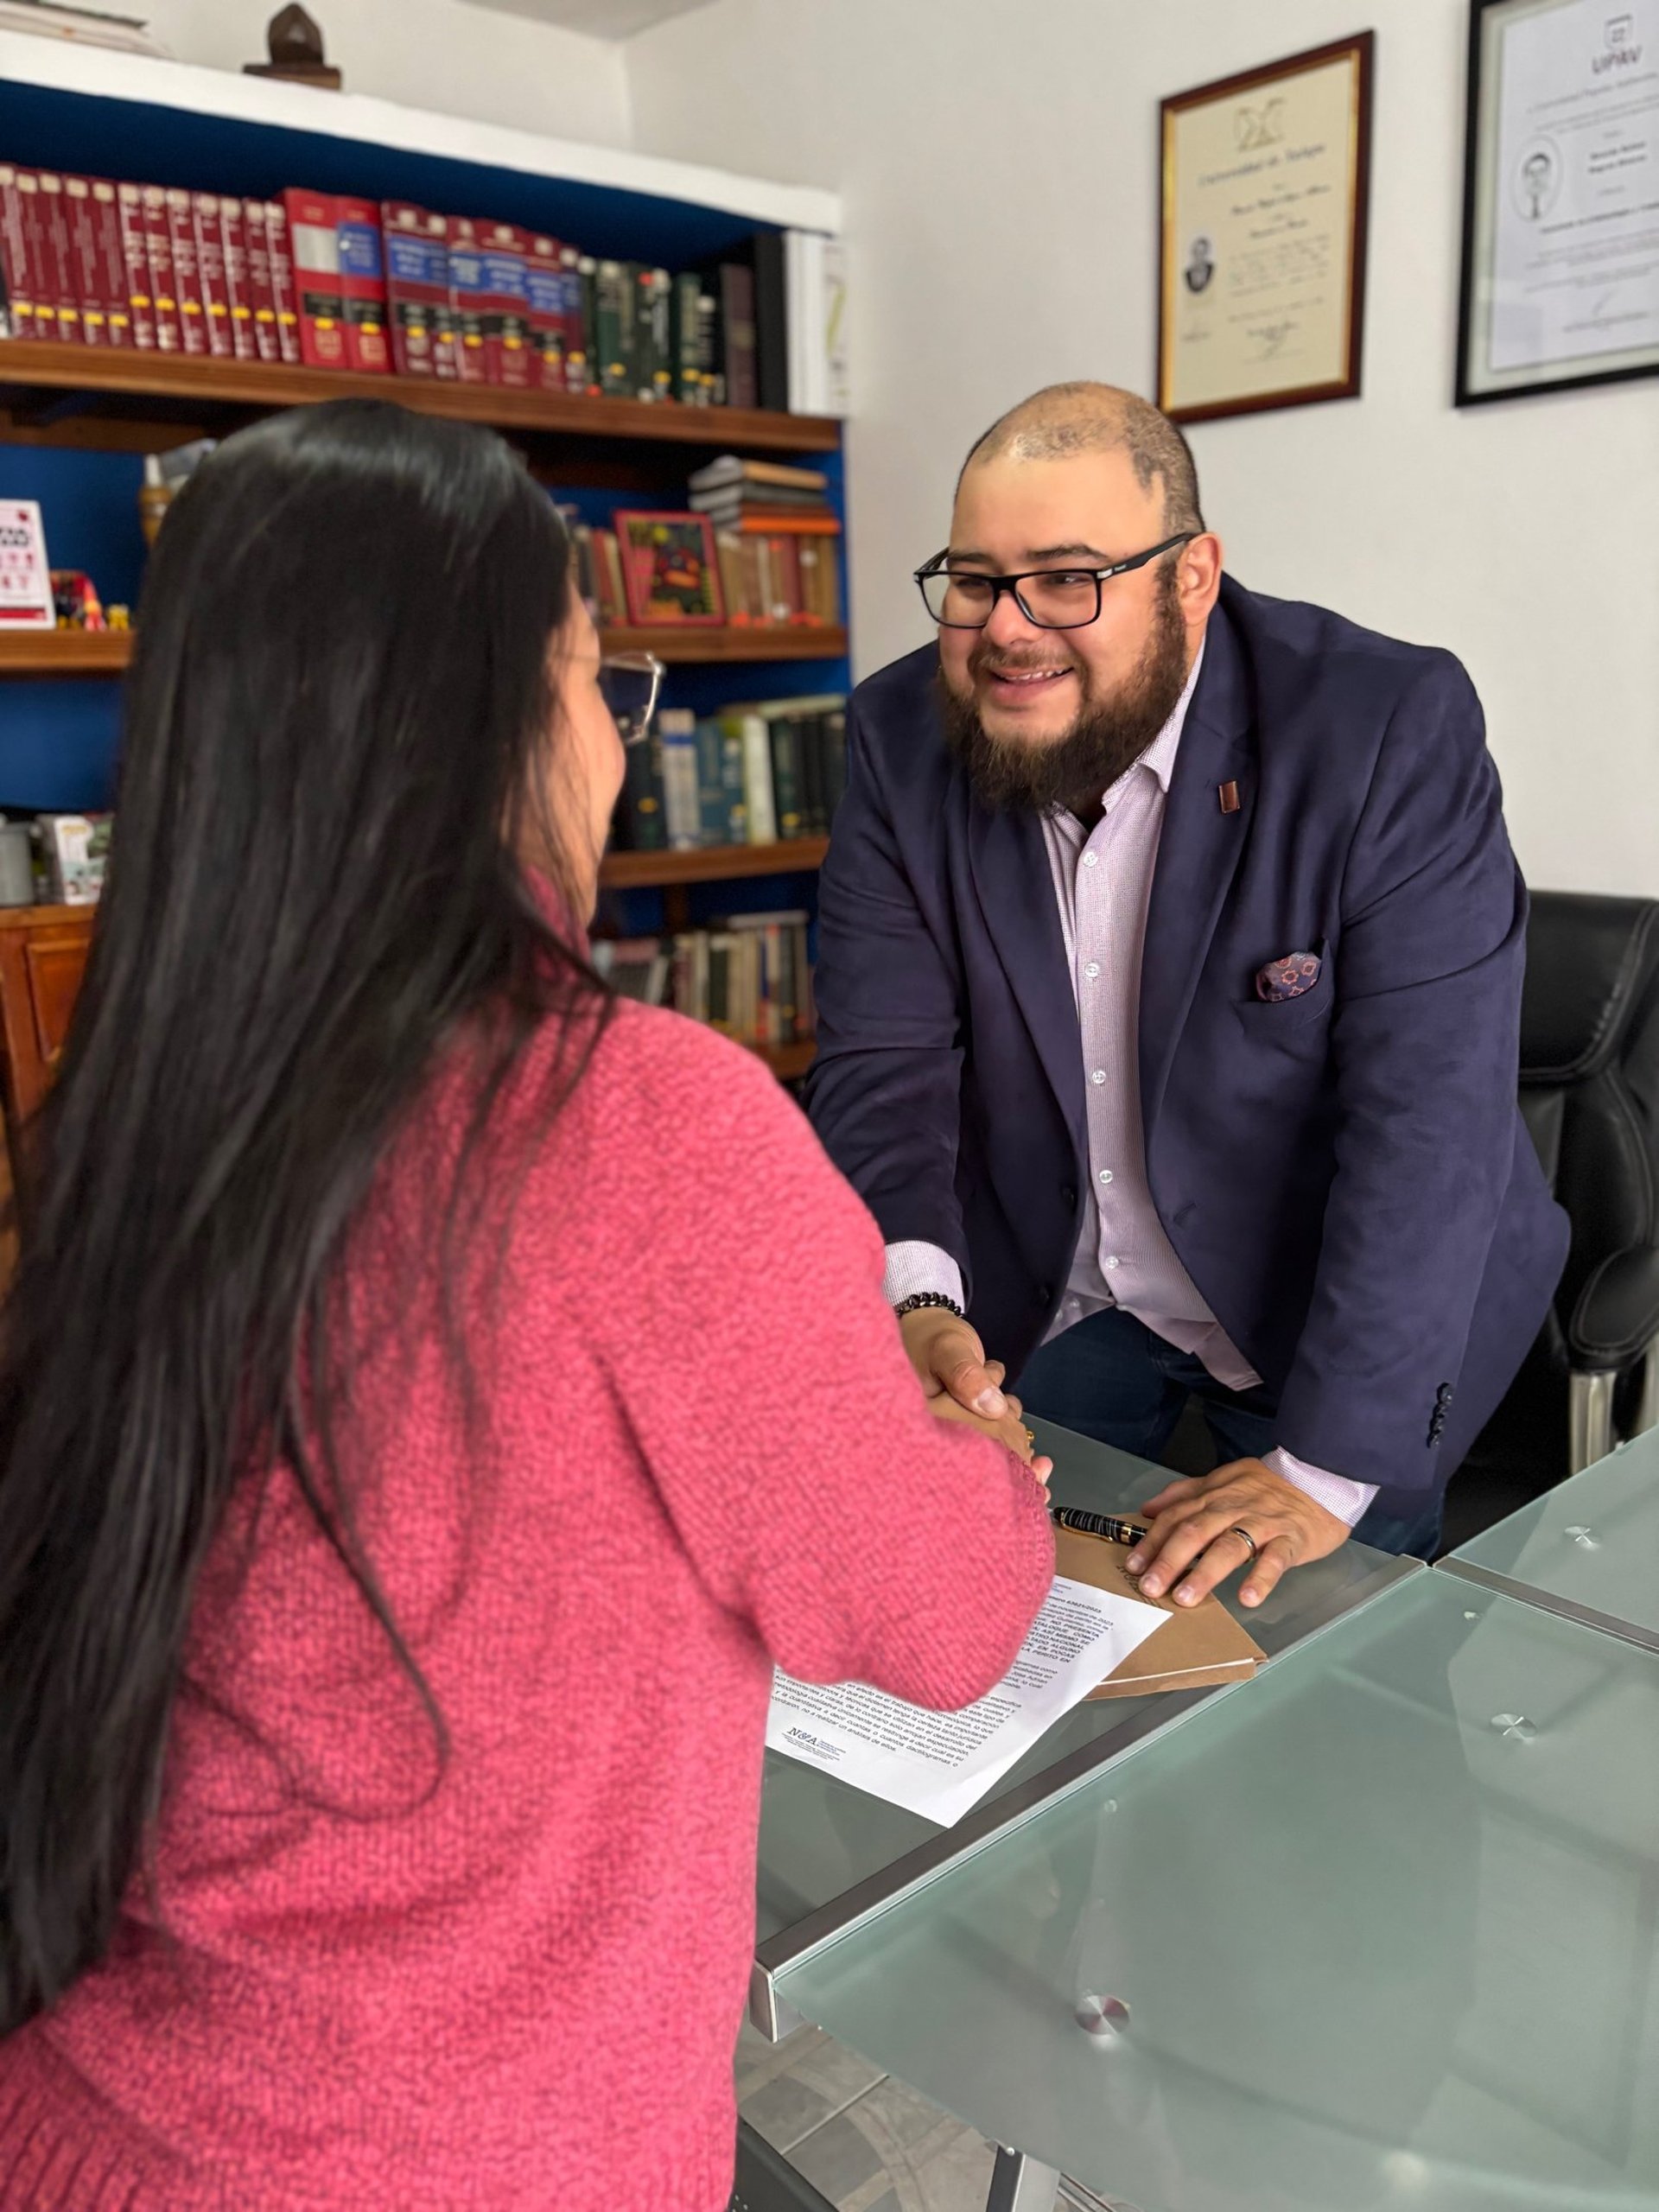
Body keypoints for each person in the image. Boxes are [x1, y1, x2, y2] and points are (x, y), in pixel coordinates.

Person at [0, 402, 1053, 2210]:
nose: (618, 747)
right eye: (594, 679)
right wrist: (972, 1444)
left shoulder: (130, 1117)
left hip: (77, 2122)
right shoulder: (649, 1126)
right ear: (489, 728)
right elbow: (939, 1611)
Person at [807, 381, 1568, 1611]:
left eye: (1068, 578)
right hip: (1062, 1288)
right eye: (975, 580)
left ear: (1192, 576)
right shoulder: (900, 735)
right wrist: (921, 1308)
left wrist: (1322, 1477)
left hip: (1341, 1309)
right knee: (1011, 1626)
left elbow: (1430, 1127)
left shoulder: (1384, 726)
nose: (1009, 631)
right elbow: (881, 1067)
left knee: (1331, 1661)